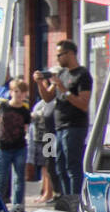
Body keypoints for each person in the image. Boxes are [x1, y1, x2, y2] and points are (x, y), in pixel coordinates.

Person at [35, 40, 92, 196]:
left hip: (74, 126)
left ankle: (76, 200)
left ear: (70, 54)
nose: (57, 59)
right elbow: (47, 97)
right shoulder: (61, 73)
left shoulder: (82, 75)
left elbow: (83, 104)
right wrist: (40, 83)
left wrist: (63, 89)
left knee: (72, 166)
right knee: (59, 166)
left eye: (60, 55)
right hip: (59, 126)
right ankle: (66, 199)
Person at [0, 78, 31, 212]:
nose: (18, 95)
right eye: (16, 91)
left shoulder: (25, 111)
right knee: (0, 178)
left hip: (19, 147)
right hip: (3, 147)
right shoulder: (3, 107)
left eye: (22, 92)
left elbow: (26, 128)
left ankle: (17, 206)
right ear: (11, 92)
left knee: (19, 178)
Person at [28, 87, 58, 205]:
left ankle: (49, 193)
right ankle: (45, 191)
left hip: (49, 136)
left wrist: (34, 115)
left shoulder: (54, 102)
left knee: (48, 166)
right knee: (43, 166)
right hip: (39, 137)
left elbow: (43, 115)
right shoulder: (42, 102)